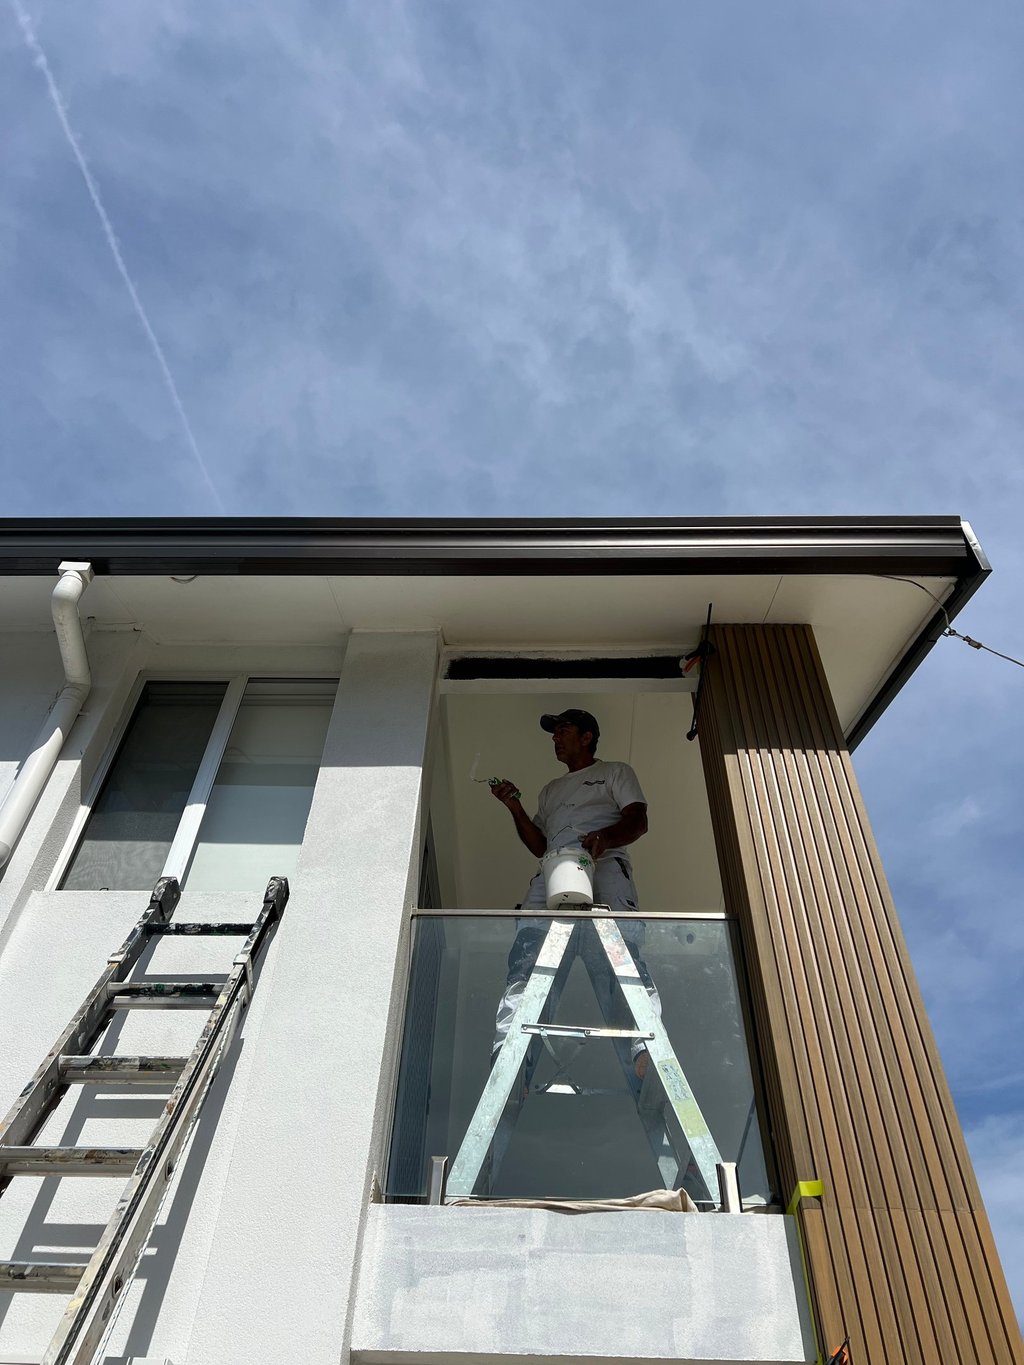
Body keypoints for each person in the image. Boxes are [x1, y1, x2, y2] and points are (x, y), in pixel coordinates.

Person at [488, 708, 659, 1079]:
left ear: (587, 737)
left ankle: (645, 1049)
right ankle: (513, 1053)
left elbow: (638, 819)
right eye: (554, 732)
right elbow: (539, 844)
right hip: (554, 870)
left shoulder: (613, 772)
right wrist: (514, 806)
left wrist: (606, 838)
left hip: (605, 867)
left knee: (622, 958)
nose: (555, 738)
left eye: (563, 730)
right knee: (528, 956)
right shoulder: (550, 791)